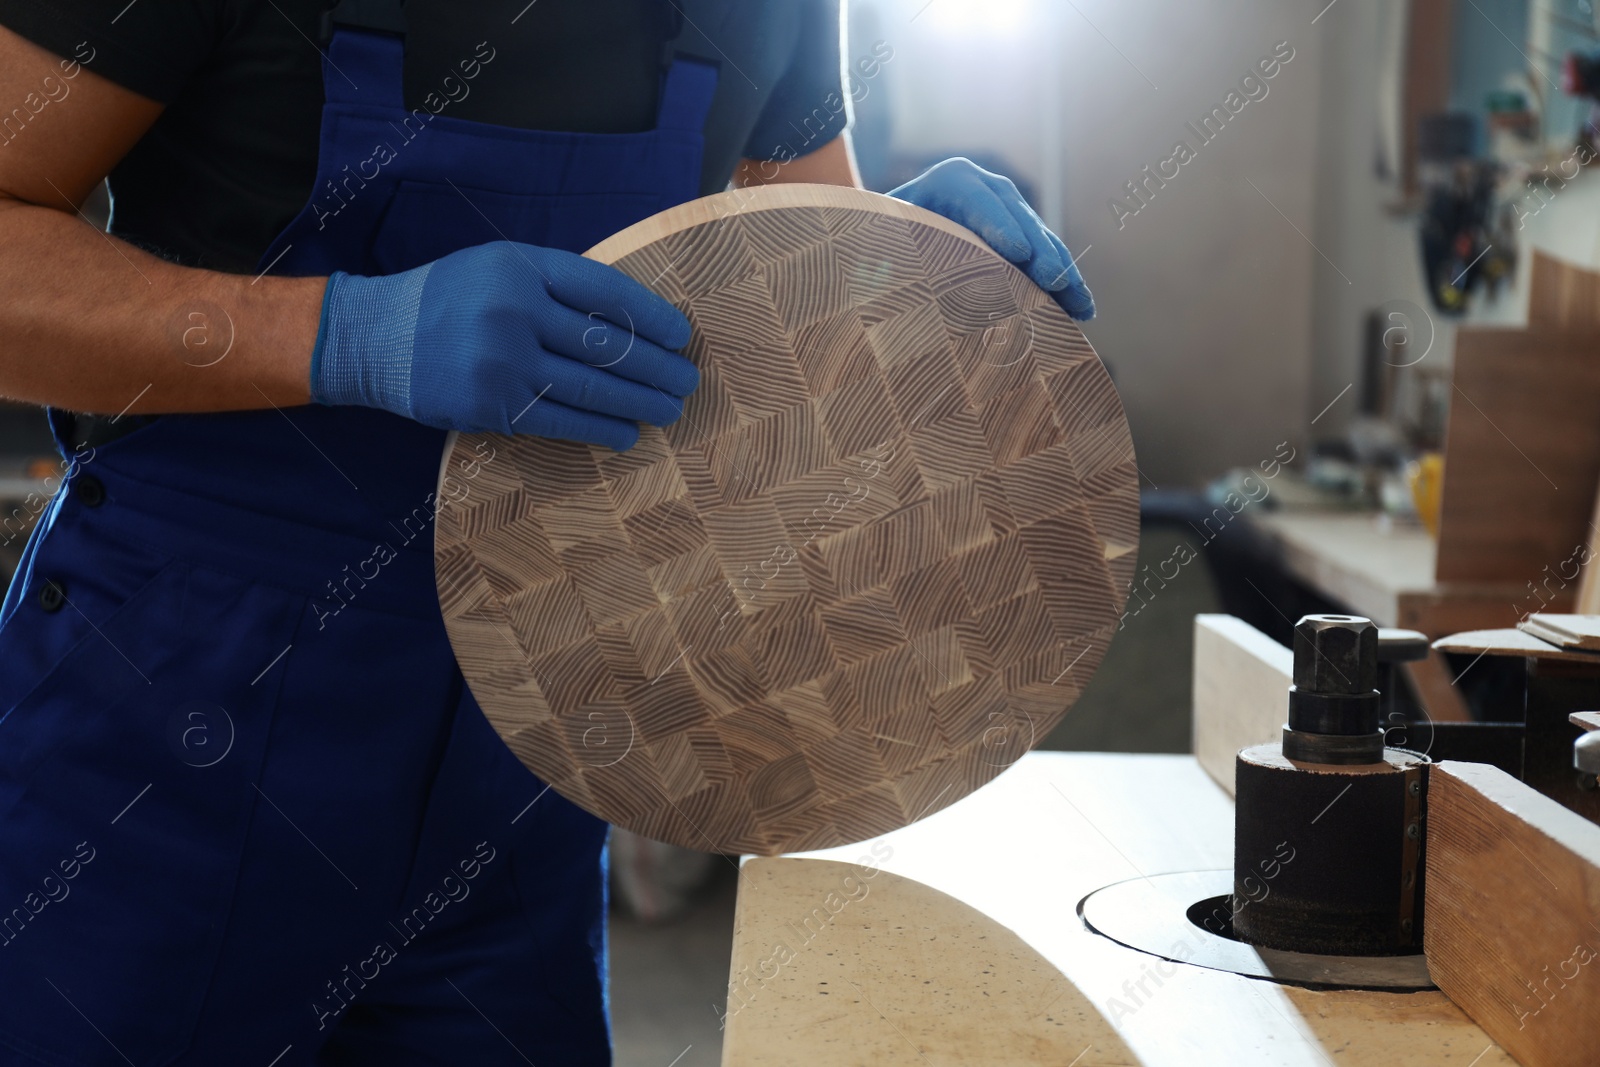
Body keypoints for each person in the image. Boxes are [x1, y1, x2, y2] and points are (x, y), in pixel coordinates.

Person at [0, 1, 1094, 1063]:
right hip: (170, 733)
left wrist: (908, 279)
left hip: (531, 746)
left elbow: (793, 328)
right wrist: (345, 334)